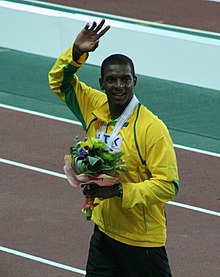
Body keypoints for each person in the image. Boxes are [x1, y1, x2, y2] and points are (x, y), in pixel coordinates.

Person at [48, 19, 179, 277]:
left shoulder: (152, 128)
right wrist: (77, 52)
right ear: (102, 83)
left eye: (125, 79)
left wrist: (119, 190)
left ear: (135, 81)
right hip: (104, 233)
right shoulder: (93, 106)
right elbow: (59, 83)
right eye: (112, 80)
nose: (119, 86)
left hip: (142, 242)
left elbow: (168, 184)